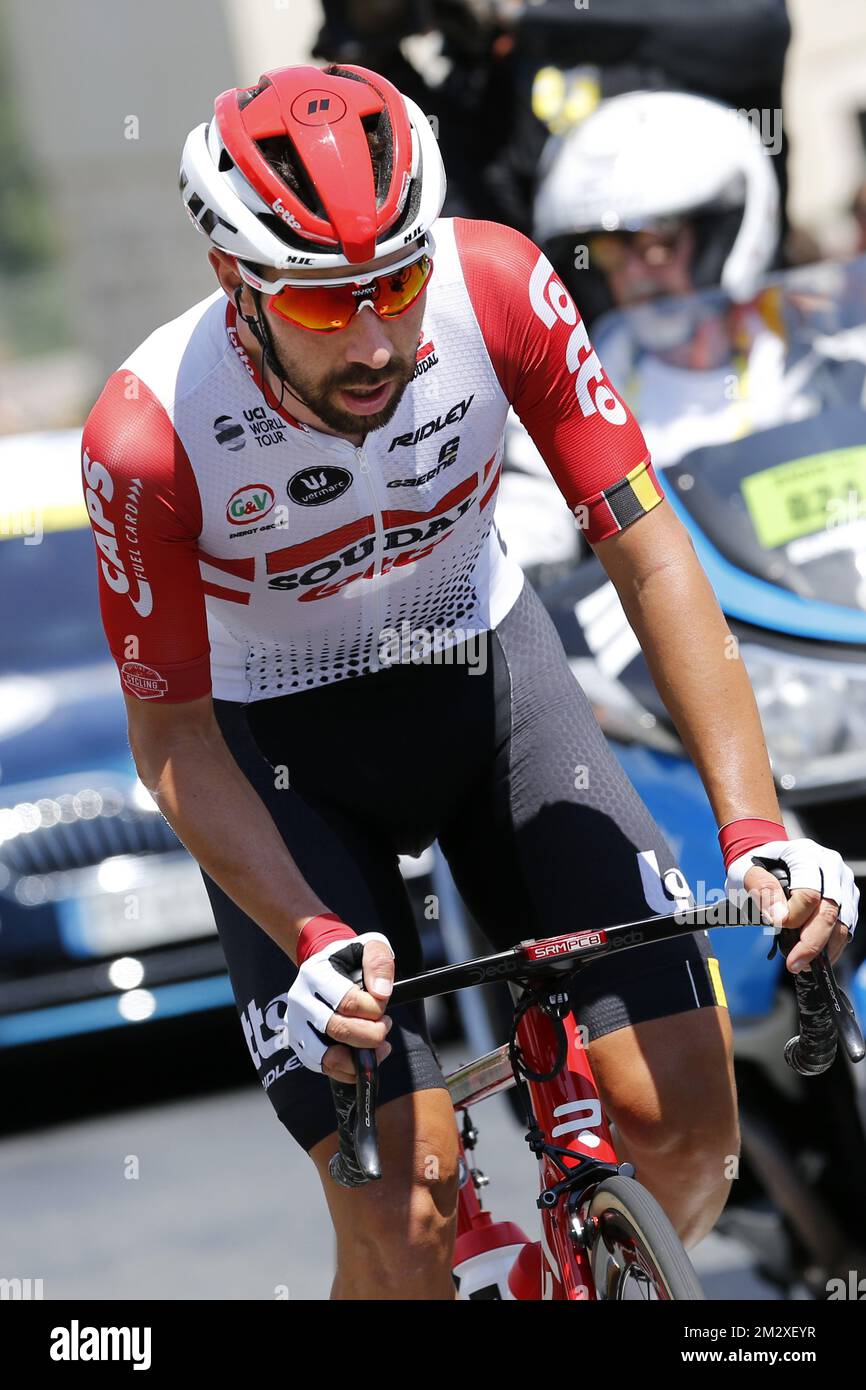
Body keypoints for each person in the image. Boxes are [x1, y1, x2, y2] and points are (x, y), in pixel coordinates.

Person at [81, 63, 857, 1300]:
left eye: (396, 282)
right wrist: (311, 934)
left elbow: (649, 554)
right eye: (330, 307)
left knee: (684, 1128)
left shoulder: (496, 286)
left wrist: (755, 827)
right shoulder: (148, 433)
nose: (382, 339)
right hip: (280, 757)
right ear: (238, 283)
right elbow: (171, 734)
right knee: (412, 1207)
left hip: (487, 684)